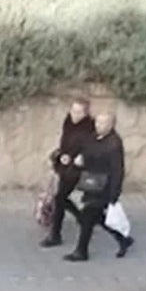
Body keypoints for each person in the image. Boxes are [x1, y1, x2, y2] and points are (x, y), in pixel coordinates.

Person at [64, 112, 133, 261]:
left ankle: (81, 251)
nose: (98, 126)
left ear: (111, 125)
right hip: (91, 183)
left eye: (103, 123)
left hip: (104, 186)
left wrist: (114, 193)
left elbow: (117, 170)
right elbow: (88, 152)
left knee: (88, 216)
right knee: (98, 218)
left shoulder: (114, 144)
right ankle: (123, 239)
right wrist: (81, 159)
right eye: (97, 122)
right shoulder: (94, 137)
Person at [40, 98, 95, 248]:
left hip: (78, 169)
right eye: (73, 111)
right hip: (66, 165)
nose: (75, 115)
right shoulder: (68, 122)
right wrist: (63, 155)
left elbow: (91, 148)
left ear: (85, 113)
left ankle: (56, 234)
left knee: (60, 198)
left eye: (79, 112)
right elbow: (65, 142)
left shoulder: (90, 128)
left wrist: (80, 157)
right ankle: (80, 218)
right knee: (61, 198)